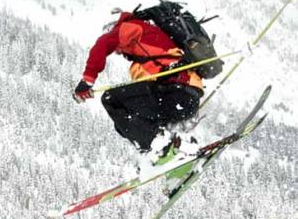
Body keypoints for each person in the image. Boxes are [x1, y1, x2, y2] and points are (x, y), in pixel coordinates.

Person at [73, 10, 204, 161]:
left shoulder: (130, 27)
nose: (118, 51)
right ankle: (179, 148)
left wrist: (87, 81)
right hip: (184, 99)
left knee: (111, 100)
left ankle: (160, 147)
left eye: (117, 49)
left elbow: (103, 44)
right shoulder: (148, 47)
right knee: (125, 122)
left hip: (175, 93)